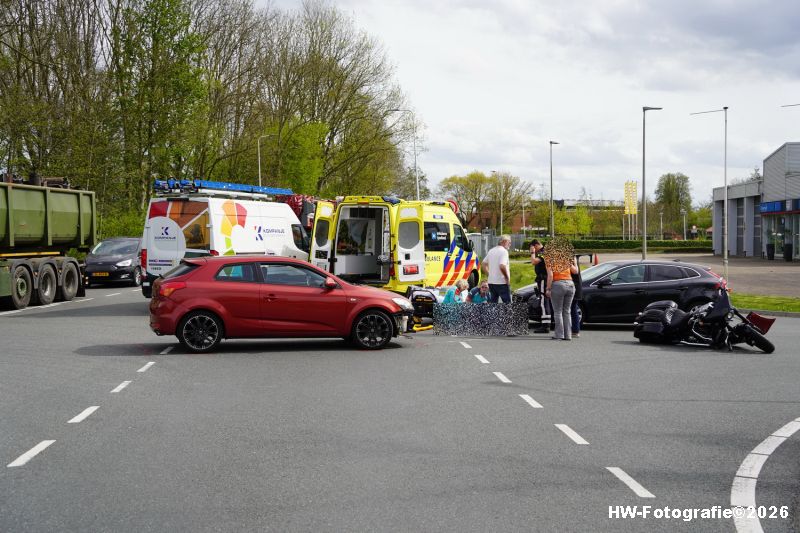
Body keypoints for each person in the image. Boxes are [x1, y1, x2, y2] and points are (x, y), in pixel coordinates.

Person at [545, 255, 579, 341]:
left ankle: (559, 334)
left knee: (558, 311)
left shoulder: (549, 260)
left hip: (558, 285)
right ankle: (568, 335)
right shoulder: (565, 259)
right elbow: (575, 271)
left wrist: (548, 289)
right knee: (567, 311)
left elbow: (550, 276)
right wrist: (575, 262)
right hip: (570, 284)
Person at [481, 235, 511, 303]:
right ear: (504, 241)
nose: (510, 244)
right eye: (509, 242)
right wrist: (506, 277)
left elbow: (483, 264)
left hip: (491, 282)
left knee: (493, 304)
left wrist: (489, 274)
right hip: (502, 282)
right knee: (507, 304)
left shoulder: (491, 250)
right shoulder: (504, 251)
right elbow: (502, 266)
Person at [530, 239, 552, 333]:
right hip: (543, 279)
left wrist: (532, 252)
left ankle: (545, 325)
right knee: (544, 301)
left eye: (533, 247)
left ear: (535, 245)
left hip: (543, 279)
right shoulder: (544, 251)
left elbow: (534, 261)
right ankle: (546, 324)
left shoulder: (543, 252)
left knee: (543, 301)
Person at [570, 257, 583, 338]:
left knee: (572, 309)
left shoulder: (571, 259)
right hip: (575, 287)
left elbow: (575, 271)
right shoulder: (573, 258)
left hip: (574, 287)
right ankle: (574, 330)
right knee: (573, 309)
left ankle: (575, 330)